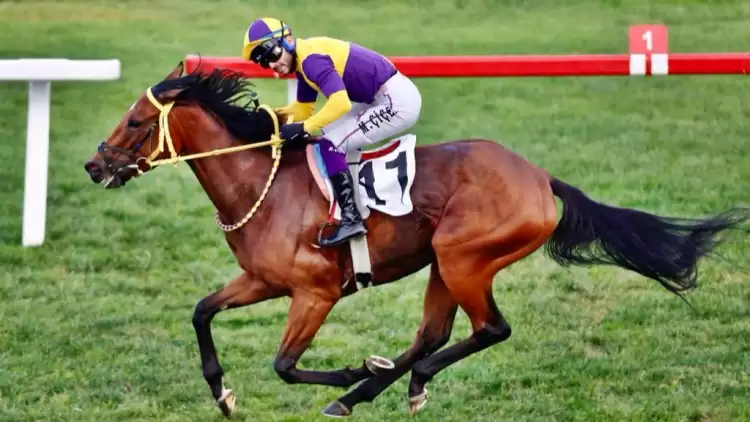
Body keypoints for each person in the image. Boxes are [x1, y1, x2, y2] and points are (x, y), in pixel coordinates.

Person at [241, 17, 422, 247]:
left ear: (288, 40)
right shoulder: (303, 60)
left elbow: (340, 103)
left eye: (272, 54)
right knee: (328, 132)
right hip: (381, 97)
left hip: (396, 102)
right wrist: (270, 117)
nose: (272, 65)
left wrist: (304, 127)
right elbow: (304, 109)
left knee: (331, 143)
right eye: (265, 62)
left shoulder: (311, 60)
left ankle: (351, 219)